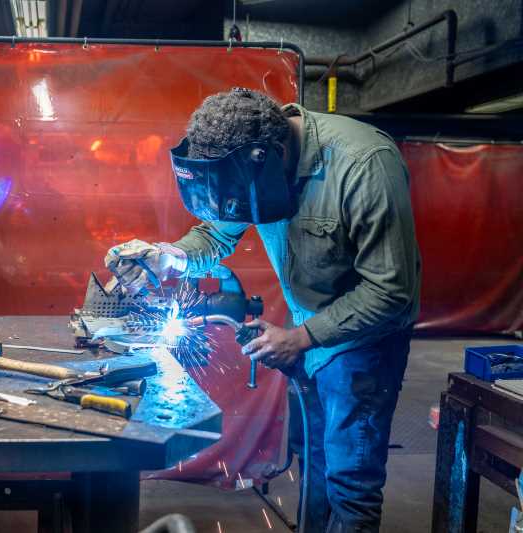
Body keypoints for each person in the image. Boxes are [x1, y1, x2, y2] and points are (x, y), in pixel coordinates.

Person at [104, 87, 421, 533]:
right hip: (308, 328)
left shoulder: (363, 165)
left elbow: (392, 291)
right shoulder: (249, 167)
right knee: (313, 460)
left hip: (364, 341)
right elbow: (215, 235)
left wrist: (302, 338)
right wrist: (168, 256)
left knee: (350, 480)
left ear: (269, 156)